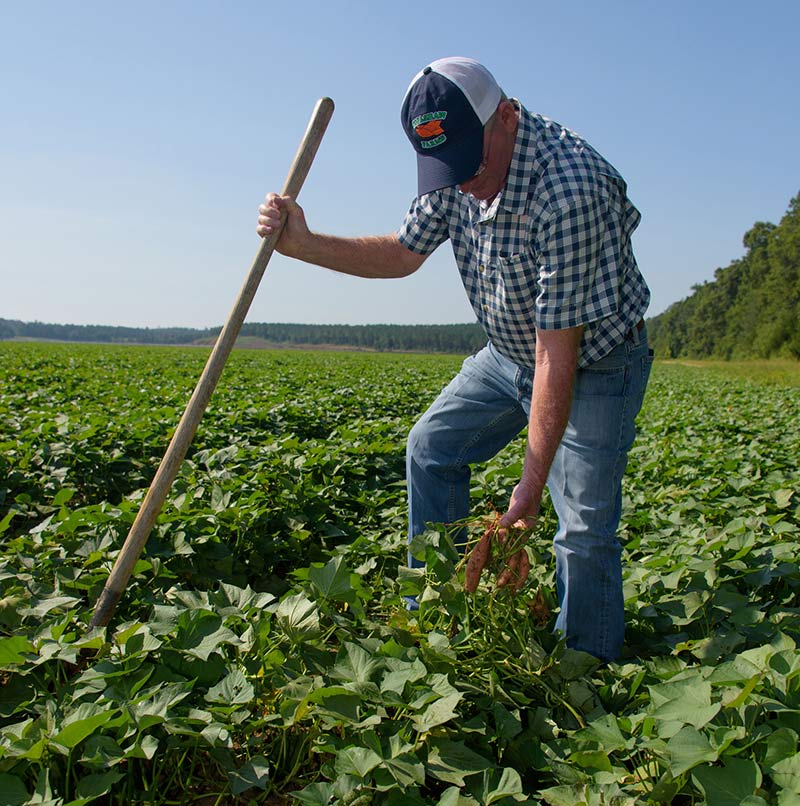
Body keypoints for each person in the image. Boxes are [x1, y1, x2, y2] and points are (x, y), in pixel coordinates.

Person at [256, 56, 653, 661]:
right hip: (509, 352)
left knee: (582, 526)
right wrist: (304, 245)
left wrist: (527, 491)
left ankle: (585, 670)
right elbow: (402, 253)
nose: (463, 181)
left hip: (593, 360)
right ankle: (436, 618)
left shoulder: (569, 189)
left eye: (474, 162)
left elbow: (557, 355)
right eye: (447, 166)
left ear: (508, 119)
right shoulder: (451, 169)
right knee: (431, 448)